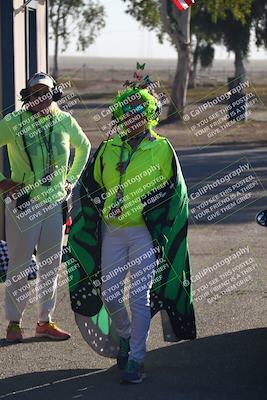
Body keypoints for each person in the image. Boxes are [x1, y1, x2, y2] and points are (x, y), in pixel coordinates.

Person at [66, 66, 196, 384]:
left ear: (148, 115)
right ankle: (125, 336)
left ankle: (137, 358)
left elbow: (175, 194)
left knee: (139, 296)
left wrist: (163, 228)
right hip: (112, 232)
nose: (131, 120)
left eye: (137, 114)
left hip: (143, 235)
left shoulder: (162, 149)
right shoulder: (108, 149)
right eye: (126, 114)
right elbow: (90, 188)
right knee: (111, 295)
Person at [0, 72, 91, 342]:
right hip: (24, 205)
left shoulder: (65, 120)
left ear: (54, 94)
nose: (41, 97)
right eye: (35, 92)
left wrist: (71, 180)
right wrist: (3, 182)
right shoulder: (14, 122)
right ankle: (14, 323)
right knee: (18, 265)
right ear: (27, 96)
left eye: (46, 92)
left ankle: (44, 321)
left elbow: (84, 147)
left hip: (55, 205)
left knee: (50, 266)